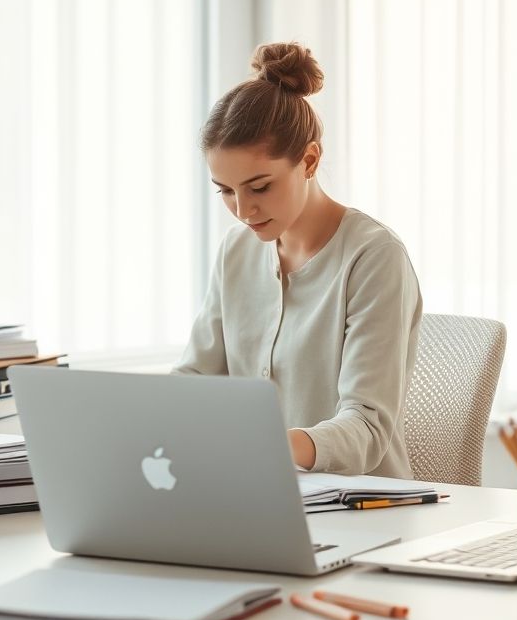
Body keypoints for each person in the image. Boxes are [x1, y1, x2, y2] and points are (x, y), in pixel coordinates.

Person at [172, 42, 422, 477]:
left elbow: (366, 428)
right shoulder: (237, 250)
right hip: (254, 497)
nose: (243, 210)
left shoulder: (374, 258)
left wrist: (266, 443)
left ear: (309, 160)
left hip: (363, 513)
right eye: (226, 191)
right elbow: (196, 378)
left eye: (260, 186)